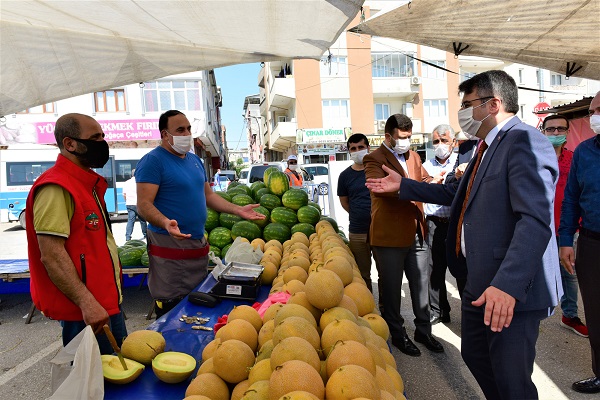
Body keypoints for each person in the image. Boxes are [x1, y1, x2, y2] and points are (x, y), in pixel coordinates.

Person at [366, 70, 561, 399]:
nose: (463, 113)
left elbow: (535, 219)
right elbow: (454, 192)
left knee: (512, 379)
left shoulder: (526, 141)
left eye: (469, 104)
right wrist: (405, 186)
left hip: (508, 286)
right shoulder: (483, 148)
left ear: (494, 104)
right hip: (478, 279)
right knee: (475, 355)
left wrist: (507, 285)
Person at [136, 110, 264, 318]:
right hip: (170, 245)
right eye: (180, 130)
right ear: (164, 134)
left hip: (195, 245)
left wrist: (237, 209)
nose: (186, 133)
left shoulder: (194, 161)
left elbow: (208, 196)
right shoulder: (153, 161)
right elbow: (143, 204)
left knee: (196, 303)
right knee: (173, 306)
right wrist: (166, 222)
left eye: (188, 128)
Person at [25, 113, 127, 355]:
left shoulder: (86, 184)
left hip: (105, 302)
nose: (102, 143)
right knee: (96, 383)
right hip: (85, 310)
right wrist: (87, 303)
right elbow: (51, 255)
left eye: (103, 136)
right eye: (95, 137)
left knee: (119, 373)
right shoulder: (56, 187)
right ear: (69, 144)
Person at [363, 114, 444, 357]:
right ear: (388, 136)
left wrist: (438, 181)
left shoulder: (415, 156)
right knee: (391, 290)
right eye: (402, 138)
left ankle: (424, 330)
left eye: (409, 137)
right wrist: (414, 187)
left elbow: (425, 180)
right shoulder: (373, 158)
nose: (407, 142)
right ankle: (397, 334)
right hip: (389, 236)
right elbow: (380, 188)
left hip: (417, 231)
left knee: (421, 286)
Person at [559, 91, 600, 394]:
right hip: (591, 244)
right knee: (596, 314)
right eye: (592, 111)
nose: (594, 116)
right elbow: (571, 199)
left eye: (599, 109)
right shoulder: (584, 152)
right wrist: (565, 240)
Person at [542, 114, 587, 337]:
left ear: (568, 132)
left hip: (567, 229)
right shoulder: (534, 158)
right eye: (551, 129)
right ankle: (531, 313)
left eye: (561, 129)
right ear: (543, 132)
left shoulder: (575, 158)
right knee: (534, 271)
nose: (556, 133)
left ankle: (569, 315)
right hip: (539, 228)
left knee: (570, 273)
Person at [422, 124, 457, 325]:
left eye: (444, 140)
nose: (440, 145)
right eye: (436, 141)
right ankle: (438, 309)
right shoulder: (425, 167)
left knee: (461, 268)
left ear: (454, 142)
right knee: (434, 269)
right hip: (434, 224)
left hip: (456, 225)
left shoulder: (461, 164)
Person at [337, 133, 376, 292]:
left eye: (360, 147)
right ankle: (369, 308)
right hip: (357, 232)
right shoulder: (345, 176)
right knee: (363, 274)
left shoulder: (377, 170)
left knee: (386, 272)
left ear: (368, 148)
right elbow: (344, 202)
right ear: (349, 152)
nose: (357, 151)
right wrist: (358, 213)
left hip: (380, 229)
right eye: (353, 148)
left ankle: (386, 309)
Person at [123, 168, 148, 241]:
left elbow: (124, 194)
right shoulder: (140, 182)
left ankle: (128, 237)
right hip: (138, 204)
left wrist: (127, 201)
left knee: (130, 221)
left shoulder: (126, 182)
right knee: (142, 221)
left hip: (130, 204)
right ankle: (146, 235)